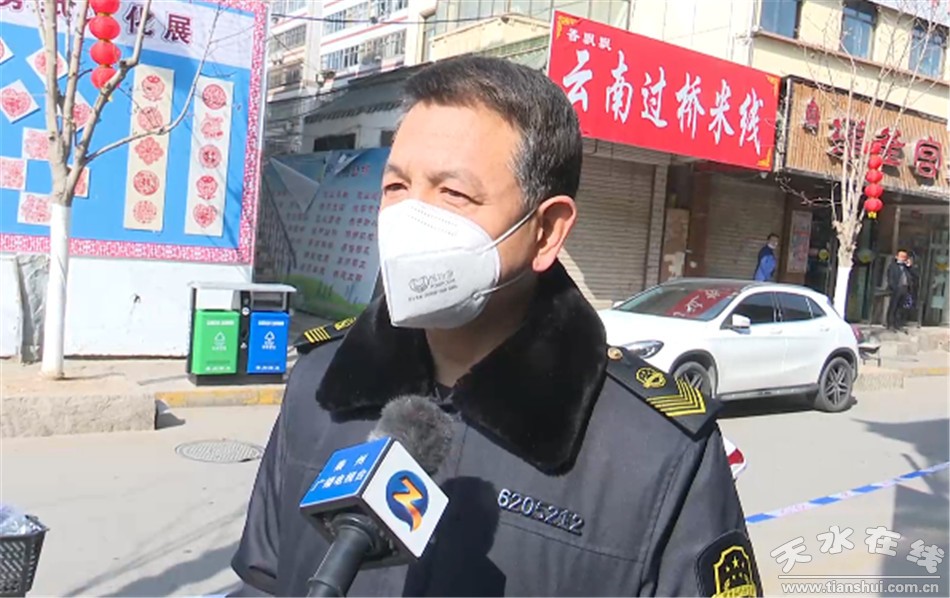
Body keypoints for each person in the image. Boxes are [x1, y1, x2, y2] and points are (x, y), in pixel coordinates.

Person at [230, 56, 759, 597]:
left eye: (453, 194)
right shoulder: (318, 384)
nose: (409, 219)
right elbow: (262, 582)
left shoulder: (656, 453)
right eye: (396, 186)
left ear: (546, 231)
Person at [886, 249, 910, 331]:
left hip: (905, 288)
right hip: (896, 288)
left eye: (904, 257)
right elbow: (890, 278)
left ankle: (898, 324)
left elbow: (914, 276)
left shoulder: (906, 267)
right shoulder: (893, 266)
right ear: (897, 257)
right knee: (893, 306)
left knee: (900, 307)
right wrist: (894, 287)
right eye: (901, 256)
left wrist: (910, 267)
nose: (903, 258)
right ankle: (890, 323)